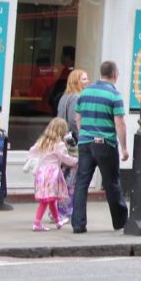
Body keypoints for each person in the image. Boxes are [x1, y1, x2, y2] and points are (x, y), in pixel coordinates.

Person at [71, 60, 129, 234]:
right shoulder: (115, 96)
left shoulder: (85, 92)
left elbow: (77, 118)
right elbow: (119, 123)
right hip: (105, 143)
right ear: (115, 74)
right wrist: (124, 148)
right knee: (111, 183)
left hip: (85, 143)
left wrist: (83, 135)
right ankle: (120, 222)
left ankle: (78, 224)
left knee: (81, 183)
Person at [27, 117, 77, 231]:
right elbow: (65, 158)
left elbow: (31, 152)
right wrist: (77, 161)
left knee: (50, 199)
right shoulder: (59, 145)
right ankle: (37, 223)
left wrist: (34, 162)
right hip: (52, 174)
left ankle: (58, 221)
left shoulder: (42, 142)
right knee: (46, 200)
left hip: (41, 174)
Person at [54, 68, 88, 221]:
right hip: (74, 143)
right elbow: (75, 121)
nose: (87, 82)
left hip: (63, 140)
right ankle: (65, 209)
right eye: (84, 79)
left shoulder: (64, 97)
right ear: (76, 81)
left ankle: (55, 209)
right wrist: (83, 134)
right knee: (71, 178)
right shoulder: (77, 97)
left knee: (62, 176)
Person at [47, 46, 76, 114]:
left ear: (67, 57)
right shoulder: (66, 69)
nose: (61, 58)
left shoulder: (70, 70)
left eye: (62, 55)